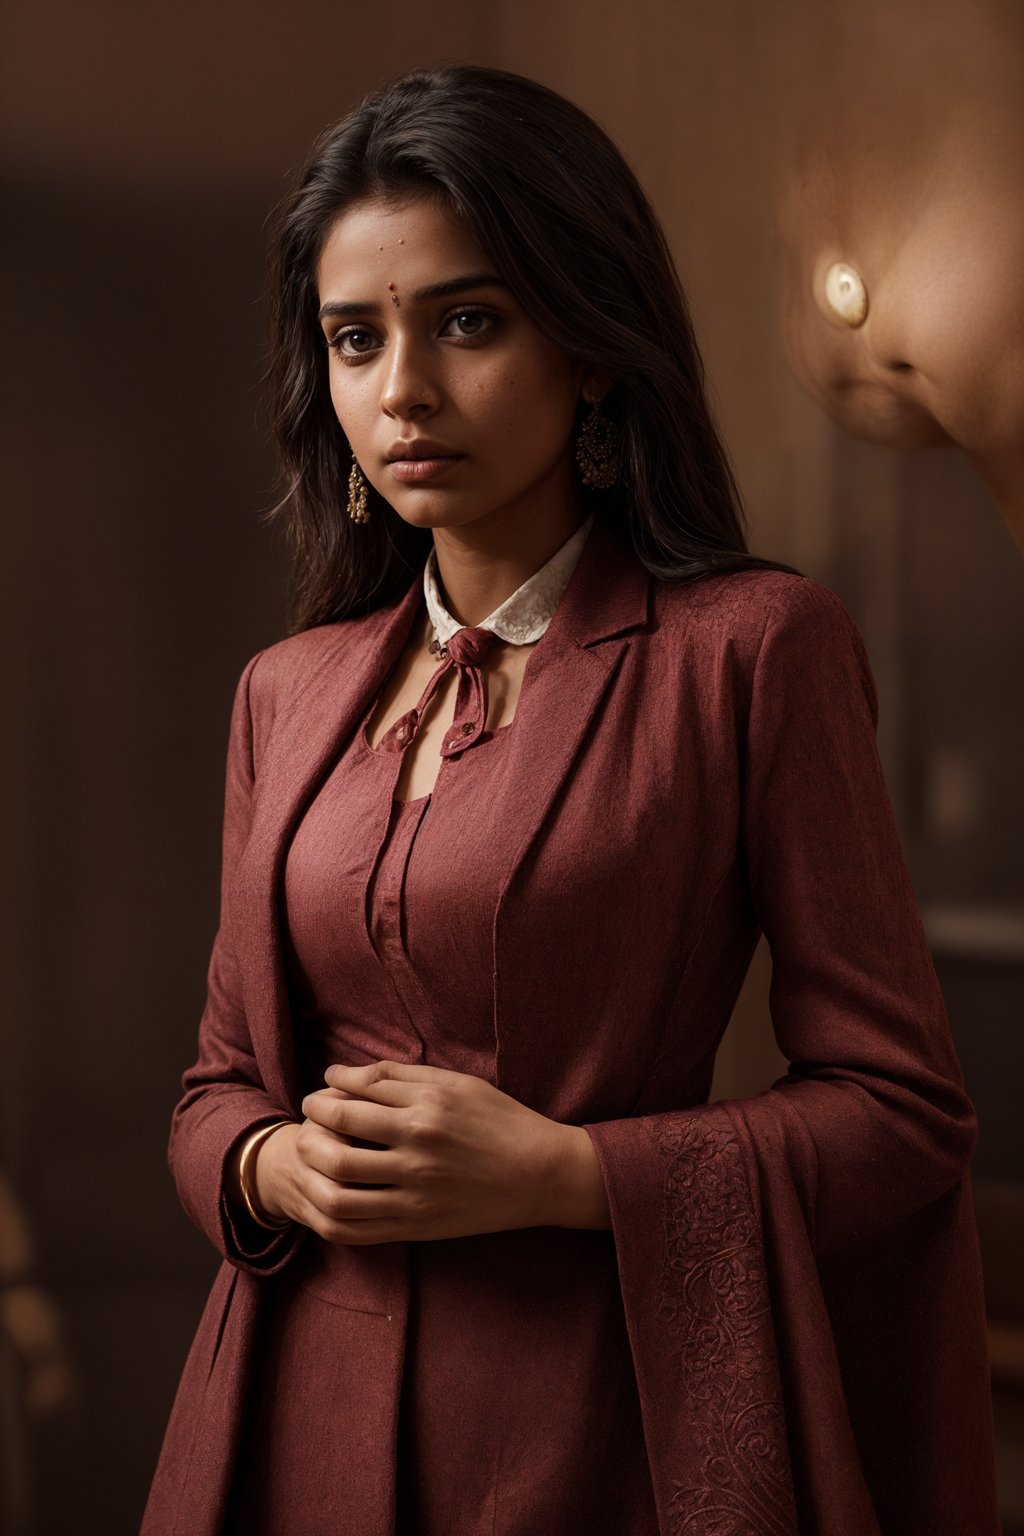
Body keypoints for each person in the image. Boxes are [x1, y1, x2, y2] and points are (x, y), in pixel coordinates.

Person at [142, 65, 999, 1536]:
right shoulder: (284, 695)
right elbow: (215, 1089)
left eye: (467, 321)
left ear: (593, 345)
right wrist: (275, 1165)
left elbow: (903, 1114)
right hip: (285, 1422)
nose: (403, 388)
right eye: (356, 339)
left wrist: (567, 1173)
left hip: (597, 1430)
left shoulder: (754, 655)